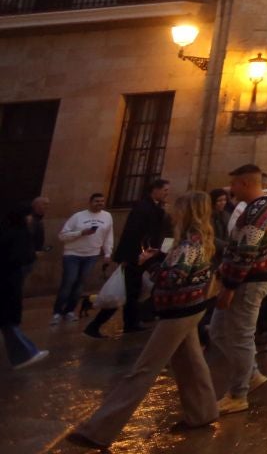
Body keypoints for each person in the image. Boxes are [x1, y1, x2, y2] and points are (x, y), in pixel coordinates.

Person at [64, 190, 220, 446]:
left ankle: (99, 431)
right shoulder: (199, 240)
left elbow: (172, 278)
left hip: (178, 311)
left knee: (143, 370)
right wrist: (160, 259)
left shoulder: (189, 244)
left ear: (187, 212)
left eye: (177, 208)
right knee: (191, 363)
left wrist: (149, 264)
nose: (172, 213)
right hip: (193, 306)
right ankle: (203, 412)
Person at [209, 164, 267, 414]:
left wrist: (229, 286)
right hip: (243, 279)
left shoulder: (258, 212)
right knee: (218, 331)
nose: (231, 190)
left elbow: (247, 251)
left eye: (234, 184)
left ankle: (238, 394)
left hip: (249, 281)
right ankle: (251, 374)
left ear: (246, 184)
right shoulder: (256, 208)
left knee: (240, 338)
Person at [86, 177, 171, 338]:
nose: (167, 193)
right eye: (165, 190)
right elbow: (134, 233)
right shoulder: (143, 207)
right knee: (126, 291)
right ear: (155, 190)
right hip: (137, 256)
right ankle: (98, 325)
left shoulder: (154, 207)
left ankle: (131, 323)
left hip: (144, 256)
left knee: (133, 291)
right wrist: (135, 255)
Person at [3, 200, 49, 369]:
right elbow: (18, 257)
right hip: (7, 282)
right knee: (7, 322)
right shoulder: (18, 234)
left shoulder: (9, 231)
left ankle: (26, 353)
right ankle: (25, 355)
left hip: (7, 281)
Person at [54, 193, 113, 323]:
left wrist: (108, 253)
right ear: (90, 202)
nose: (99, 203)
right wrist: (81, 233)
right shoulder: (78, 216)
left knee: (80, 284)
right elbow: (62, 236)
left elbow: (109, 236)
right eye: (97, 201)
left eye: (102, 201)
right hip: (72, 254)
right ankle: (57, 312)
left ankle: (70, 310)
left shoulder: (107, 216)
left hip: (91, 255)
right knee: (69, 282)